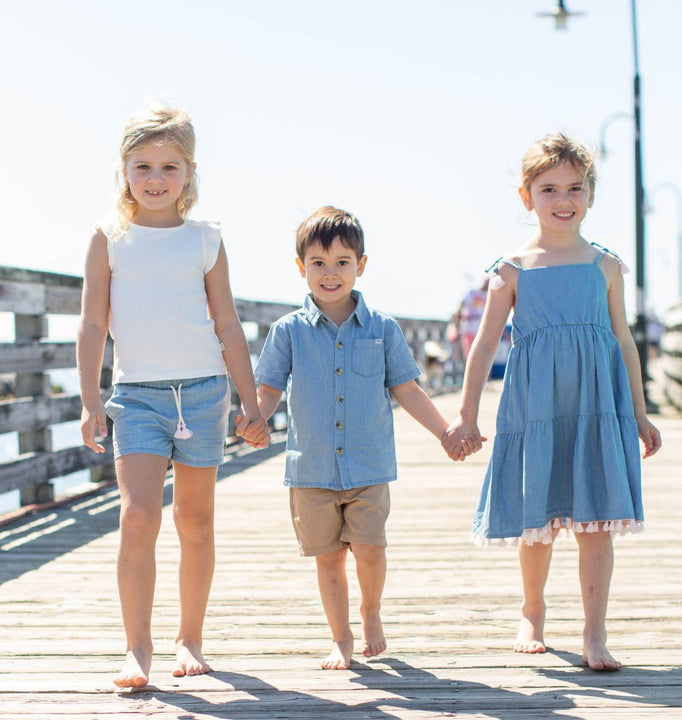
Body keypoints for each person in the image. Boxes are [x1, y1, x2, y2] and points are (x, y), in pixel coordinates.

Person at [443, 133, 662, 671]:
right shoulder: (512, 269)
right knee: (537, 521)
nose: (563, 200)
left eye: (575, 188)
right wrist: (467, 414)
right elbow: (484, 345)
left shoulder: (605, 267)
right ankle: (532, 611)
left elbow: (624, 341)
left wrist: (638, 410)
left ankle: (594, 633)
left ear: (589, 194)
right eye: (548, 189)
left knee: (595, 524)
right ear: (526, 197)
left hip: (596, 409)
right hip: (535, 410)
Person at [77, 104, 269, 689]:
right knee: (137, 517)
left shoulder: (205, 239)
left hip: (205, 394)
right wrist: (89, 401)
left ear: (190, 172)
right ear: (124, 170)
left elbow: (229, 325)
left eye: (169, 166)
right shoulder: (109, 238)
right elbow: (91, 325)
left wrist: (250, 402)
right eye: (143, 166)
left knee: (196, 520)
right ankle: (138, 646)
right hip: (136, 396)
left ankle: (191, 637)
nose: (155, 178)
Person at [236, 206, 456, 670]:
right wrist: (255, 419)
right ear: (301, 269)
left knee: (371, 549)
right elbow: (269, 387)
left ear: (362, 265)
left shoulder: (383, 328)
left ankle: (370, 611)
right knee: (328, 560)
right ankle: (341, 638)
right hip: (311, 468)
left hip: (368, 465)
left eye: (342, 262)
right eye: (318, 263)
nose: (330, 273)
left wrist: (444, 432)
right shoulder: (288, 331)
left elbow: (407, 388)